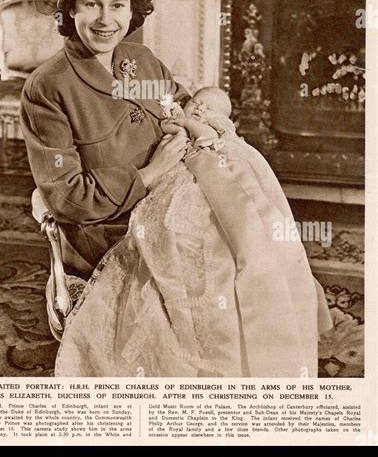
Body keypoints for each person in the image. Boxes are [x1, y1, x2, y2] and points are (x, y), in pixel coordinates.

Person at [54, 86, 333, 377]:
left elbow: (205, 137)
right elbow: (168, 125)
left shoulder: (214, 130)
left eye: (209, 108)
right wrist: (176, 116)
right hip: (181, 181)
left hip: (214, 178)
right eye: (197, 103)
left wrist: (187, 120)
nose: (200, 109)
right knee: (173, 226)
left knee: (238, 233)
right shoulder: (180, 120)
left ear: (223, 117)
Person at [20, 0, 191, 279]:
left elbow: (182, 105)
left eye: (117, 6)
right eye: (92, 4)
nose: (105, 20)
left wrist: (189, 124)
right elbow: (67, 198)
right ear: (71, 10)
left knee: (246, 244)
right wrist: (151, 173)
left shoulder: (142, 59)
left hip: (175, 207)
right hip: (112, 233)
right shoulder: (47, 87)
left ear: (133, 12)